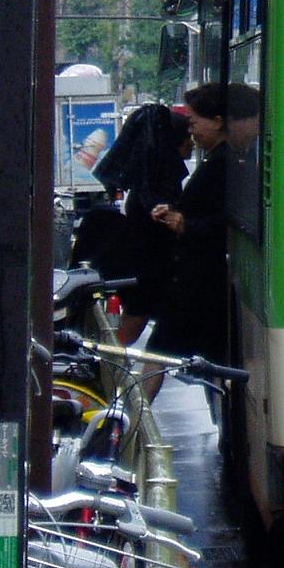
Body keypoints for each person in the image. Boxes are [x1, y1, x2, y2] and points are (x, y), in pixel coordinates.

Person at [80, 102, 191, 327]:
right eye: (186, 136)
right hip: (150, 275)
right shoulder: (160, 186)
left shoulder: (146, 182)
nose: (192, 142)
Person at [149, 83, 230, 363]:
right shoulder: (217, 159)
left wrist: (185, 225)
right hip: (196, 280)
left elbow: (226, 221)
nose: (190, 130)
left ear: (218, 122)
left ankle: (136, 406)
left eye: (194, 121)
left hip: (201, 282)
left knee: (159, 355)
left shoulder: (224, 163)